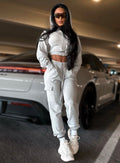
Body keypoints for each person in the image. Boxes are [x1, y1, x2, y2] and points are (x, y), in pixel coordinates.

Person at [36, 3, 82, 162]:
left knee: (70, 102)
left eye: (63, 15)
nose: (61, 18)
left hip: (68, 70)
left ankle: (74, 134)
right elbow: (40, 53)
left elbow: (79, 57)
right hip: (53, 69)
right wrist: (51, 68)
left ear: (67, 16)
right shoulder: (46, 34)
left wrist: (73, 72)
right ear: (53, 17)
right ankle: (62, 141)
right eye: (57, 15)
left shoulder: (73, 36)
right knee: (55, 106)